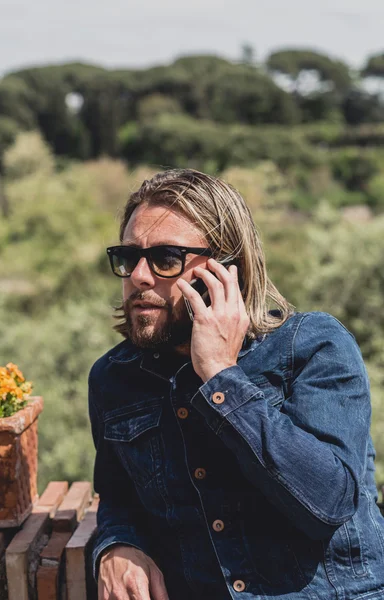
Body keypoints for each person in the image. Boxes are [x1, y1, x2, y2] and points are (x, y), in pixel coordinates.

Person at [88, 169, 384, 600]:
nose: (139, 276)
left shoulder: (314, 347)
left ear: (227, 269)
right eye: (128, 258)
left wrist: (222, 378)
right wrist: (116, 543)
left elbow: (329, 504)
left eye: (165, 258)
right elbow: (118, 495)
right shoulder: (114, 378)